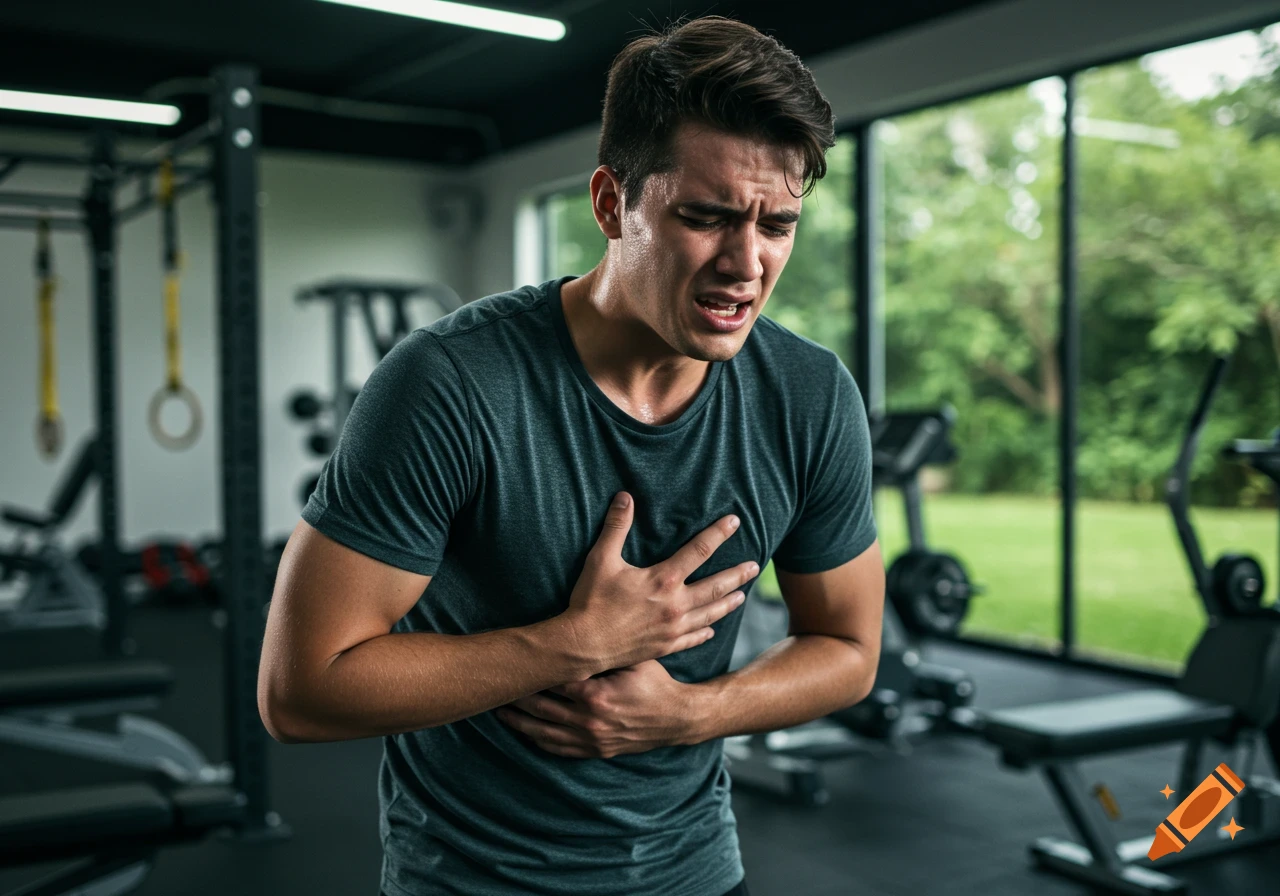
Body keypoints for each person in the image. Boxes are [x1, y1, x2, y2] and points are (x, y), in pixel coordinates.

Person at [259, 15, 884, 896]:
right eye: (704, 218)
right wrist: (576, 645)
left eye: (777, 225)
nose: (746, 264)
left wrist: (690, 715)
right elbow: (301, 690)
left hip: (696, 873)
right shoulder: (448, 384)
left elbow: (850, 648)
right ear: (609, 203)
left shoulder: (810, 397)